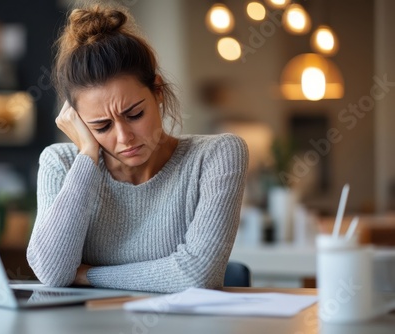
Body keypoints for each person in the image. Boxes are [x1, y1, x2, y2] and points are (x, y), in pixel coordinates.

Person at [26, 3, 248, 293]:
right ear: (78, 122)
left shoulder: (216, 156)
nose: (124, 137)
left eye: (134, 115)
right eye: (102, 126)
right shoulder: (61, 163)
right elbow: (53, 272)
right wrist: (87, 156)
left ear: (157, 91)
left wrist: (86, 275)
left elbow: (197, 276)